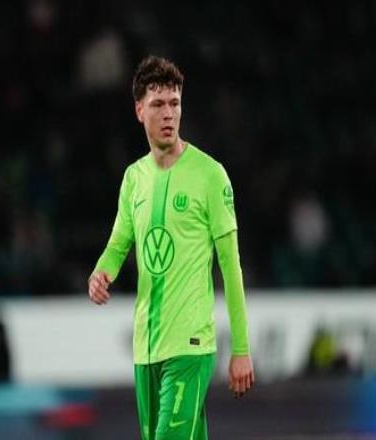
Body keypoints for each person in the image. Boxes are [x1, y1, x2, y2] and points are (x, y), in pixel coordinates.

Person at [88, 55, 254, 440]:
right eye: (158, 104)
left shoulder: (210, 175)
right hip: (145, 348)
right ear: (139, 110)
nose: (168, 114)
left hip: (190, 347)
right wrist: (101, 273)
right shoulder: (134, 178)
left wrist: (241, 348)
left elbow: (231, 267)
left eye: (175, 103)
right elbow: (118, 244)